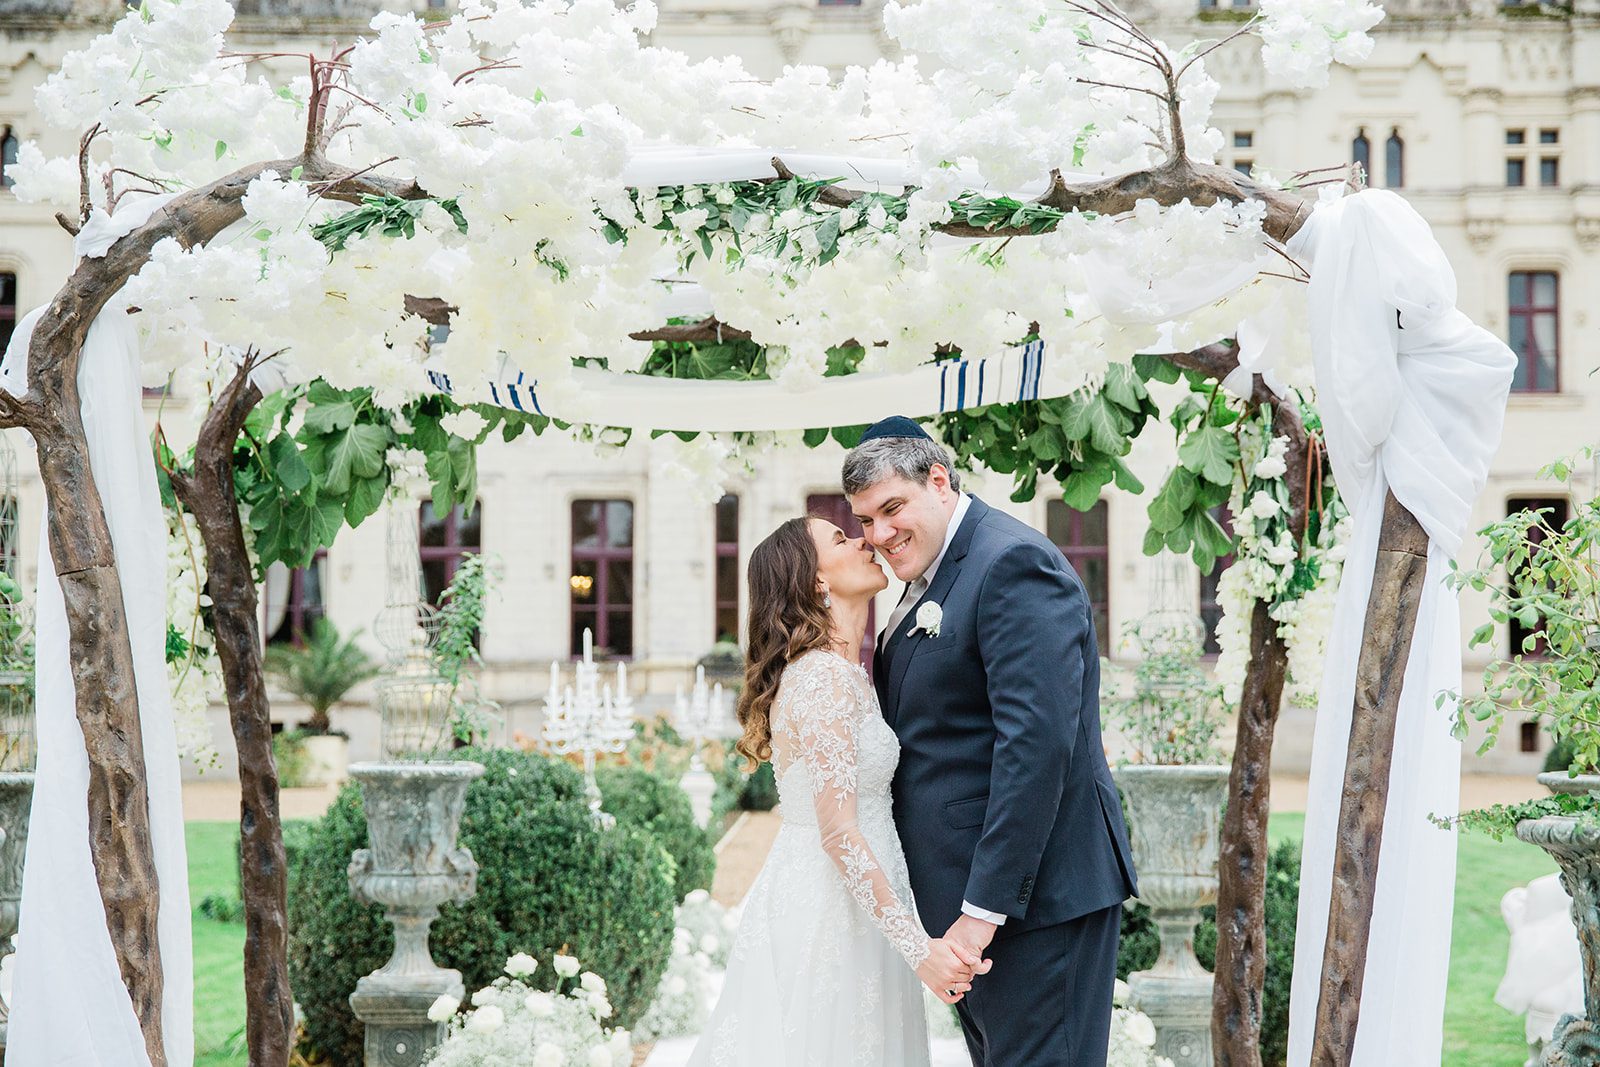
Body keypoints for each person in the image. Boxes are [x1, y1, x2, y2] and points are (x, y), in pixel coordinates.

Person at [844, 415, 1138, 1067]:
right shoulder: (930, 577)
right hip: (974, 916)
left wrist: (982, 911)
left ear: (939, 480)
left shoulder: (1011, 564)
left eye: (892, 508)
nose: (880, 534)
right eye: (865, 520)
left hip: (1032, 908)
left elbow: (1035, 752)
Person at [689, 515, 987, 1066]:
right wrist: (919, 948)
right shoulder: (822, 678)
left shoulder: (845, 671)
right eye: (841, 539)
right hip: (829, 910)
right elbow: (839, 831)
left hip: (861, 904)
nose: (864, 540)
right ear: (816, 581)